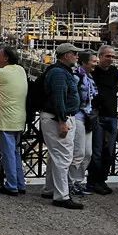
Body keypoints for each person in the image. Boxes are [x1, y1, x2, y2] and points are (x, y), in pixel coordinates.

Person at [40, 43, 83, 209]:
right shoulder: (59, 73)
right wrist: (62, 121)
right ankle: (62, 196)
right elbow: (58, 99)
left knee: (55, 156)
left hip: (55, 118)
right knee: (63, 157)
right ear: (66, 55)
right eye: (74, 53)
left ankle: (50, 189)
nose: (77, 56)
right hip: (57, 119)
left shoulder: (60, 71)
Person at [0, 46, 28, 196]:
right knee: (15, 152)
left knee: (7, 154)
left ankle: (11, 185)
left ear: (6, 58)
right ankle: (20, 183)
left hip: (6, 119)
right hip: (19, 118)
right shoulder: (21, 70)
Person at [87, 45, 118, 194]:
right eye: (108, 56)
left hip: (112, 115)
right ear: (100, 57)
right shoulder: (93, 72)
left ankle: (102, 180)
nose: (111, 59)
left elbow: (116, 88)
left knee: (109, 151)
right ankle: (92, 182)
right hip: (98, 115)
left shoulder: (114, 72)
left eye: (113, 56)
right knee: (97, 151)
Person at [69, 51, 98, 196]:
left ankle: (78, 181)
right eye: (93, 61)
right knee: (78, 152)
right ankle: (71, 183)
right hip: (78, 116)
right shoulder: (76, 76)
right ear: (84, 62)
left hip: (88, 117)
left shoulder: (90, 77)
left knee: (88, 153)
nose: (96, 63)